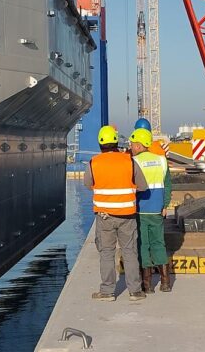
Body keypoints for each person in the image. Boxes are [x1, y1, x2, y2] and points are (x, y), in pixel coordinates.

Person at [84, 125, 149, 302]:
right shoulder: (129, 161)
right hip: (127, 215)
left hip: (105, 216)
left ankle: (107, 291)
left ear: (100, 143)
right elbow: (142, 186)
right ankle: (135, 291)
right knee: (129, 252)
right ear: (116, 142)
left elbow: (88, 184)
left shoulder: (93, 163)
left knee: (106, 253)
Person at [130, 127, 172, 293]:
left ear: (139, 146)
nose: (131, 148)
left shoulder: (135, 162)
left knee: (143, 245)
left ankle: (147, 285)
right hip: (157, 210)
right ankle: (165, 282)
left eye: (133, 145)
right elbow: (167, 185)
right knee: (159, 244)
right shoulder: (162, 160)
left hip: (140, 210)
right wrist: (165, 205)